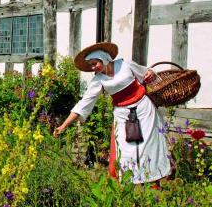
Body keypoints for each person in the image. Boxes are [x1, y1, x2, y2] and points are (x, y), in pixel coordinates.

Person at [53, 42, 171, 184]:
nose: (93, 67)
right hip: (123, 114)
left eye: (94, 63)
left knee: (149, 145)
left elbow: (145, 73)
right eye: (90, 65)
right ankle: (132, 182)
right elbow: (83, 104)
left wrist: (150, 73)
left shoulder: (125, 64)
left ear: (103, 58)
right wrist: (64, 125)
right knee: (127, 150)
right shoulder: (98, 80)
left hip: (144, 108)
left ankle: (154, 180)